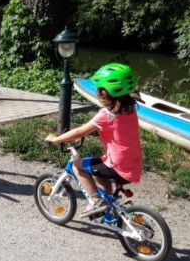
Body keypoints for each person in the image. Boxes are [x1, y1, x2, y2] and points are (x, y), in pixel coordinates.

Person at [45, 63, 142, 217]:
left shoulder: (106, 114)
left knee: (78, 167)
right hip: (133, 164)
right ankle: (107, 207)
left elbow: (78, 131)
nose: (97, 93)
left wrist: (55, 139)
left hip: (116, 165)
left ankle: (97, 201)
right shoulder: (130, 109)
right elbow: (116, 130)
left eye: (99, 90)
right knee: (99, 173)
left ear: (106, 93)